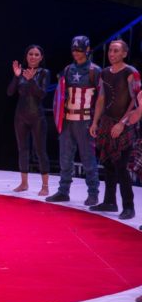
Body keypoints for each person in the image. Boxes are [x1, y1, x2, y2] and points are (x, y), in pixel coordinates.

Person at [47, 36, 101, 206]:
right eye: (74, 50)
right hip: (67, 119)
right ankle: (63, 191)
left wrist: (95, 122)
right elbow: (61, 94)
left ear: (87, 49)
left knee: (88, 159)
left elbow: (101, 99)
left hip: (85, 120)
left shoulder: (95, 71)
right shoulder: (68, 69)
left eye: (79, 49)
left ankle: (93, 193)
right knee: (65, 158)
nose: (76, 53)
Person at [88, 40, 140, 220]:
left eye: (116, 51)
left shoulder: (131, 72)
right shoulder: (104, 73)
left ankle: (129, 206)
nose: (111, 53)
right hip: (107, 122)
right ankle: (109, 201)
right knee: (108, 163)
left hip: (124, 124)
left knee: (121, 166)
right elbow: (101, 99)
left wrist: (122, 123)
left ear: (124, 53)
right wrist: (95, 122)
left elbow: (136, 100)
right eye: (110, 50)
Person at [7, 45, 51, 195]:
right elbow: (10, 92)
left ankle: (45, 185)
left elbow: (42, 94)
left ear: (41, 57)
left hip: (37, 116)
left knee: (40, 150)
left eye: (36, 54)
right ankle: (24, 183)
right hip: (20, 116)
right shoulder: (21, 72)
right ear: (26, 56)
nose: (33, 57)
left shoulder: (44, 73)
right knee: (22, 149)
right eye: (30, 54)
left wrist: (31, 80)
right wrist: (16, 76)